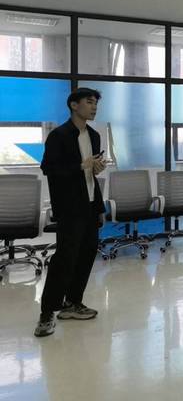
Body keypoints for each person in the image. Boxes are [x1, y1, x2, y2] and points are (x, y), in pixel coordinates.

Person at [34, 88, 107, 338]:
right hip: (69, 207)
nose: (94, 107)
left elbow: (90, 174)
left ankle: (73, 303)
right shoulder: (59, 135)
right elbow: (49, 168)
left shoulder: (94, 136)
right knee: (65, 258)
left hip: (90, 204)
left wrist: (95, 169)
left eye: (96, 103)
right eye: (89, 102)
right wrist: (80, 165)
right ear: (74, 105)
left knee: (87, 254)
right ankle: (47, 313)